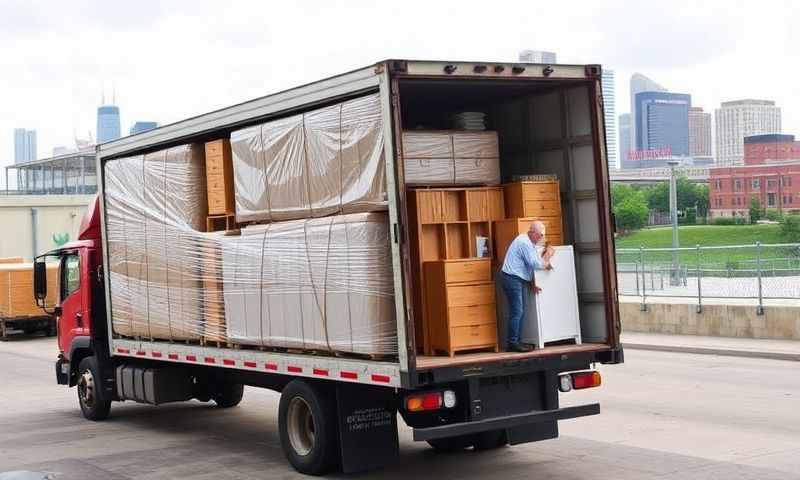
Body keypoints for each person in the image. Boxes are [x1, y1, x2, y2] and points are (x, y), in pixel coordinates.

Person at [500, 220, 553, 353]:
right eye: (540, 235)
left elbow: (526, 268)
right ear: (533, 233)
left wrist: (532, 284)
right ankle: (512, 343)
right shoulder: (524, 243)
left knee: (519, 311)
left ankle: (516, 341)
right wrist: (548, 257)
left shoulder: (528, 242)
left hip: (515, 278)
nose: (541, 238)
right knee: (517, 311)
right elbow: (534, 264)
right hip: (512, 279)